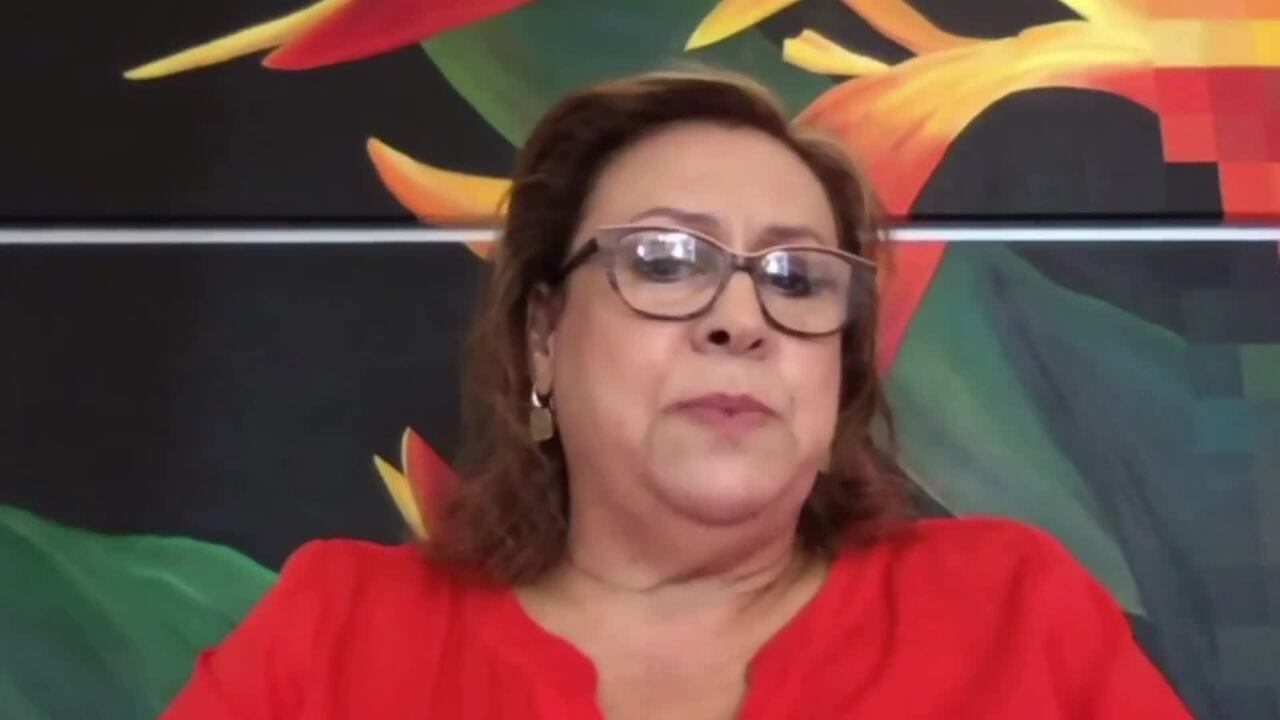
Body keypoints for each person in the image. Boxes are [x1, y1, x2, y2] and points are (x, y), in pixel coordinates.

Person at [161, 70, 1191, 719]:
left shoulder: (1009, 615)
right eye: (663, 261)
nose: (740, 320)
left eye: (796, 279)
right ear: (544, 336)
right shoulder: (339, 635)